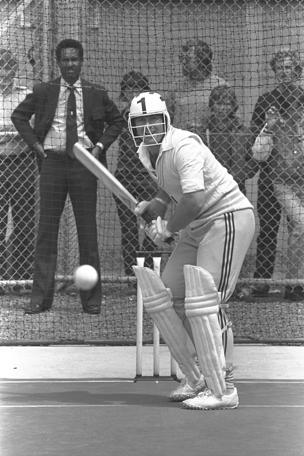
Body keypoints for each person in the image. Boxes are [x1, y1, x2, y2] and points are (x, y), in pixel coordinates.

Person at [130, 92, 255, 410]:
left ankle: (223, 386)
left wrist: (167, 229)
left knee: (207, 300)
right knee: (167, 295)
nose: (147, 129)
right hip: (197, 227)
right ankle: (199, 375)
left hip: (226, 218)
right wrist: (153, 206)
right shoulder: (149, 152)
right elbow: (169, 188)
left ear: (166, 120)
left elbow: (195, 200)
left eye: (152, 121)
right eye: (140, 122)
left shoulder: (183, 146)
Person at [11, 38, 124, 314]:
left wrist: (98, 147)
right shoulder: (44, 90)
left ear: (81, 62)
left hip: (85, 166)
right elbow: (19, 117)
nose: (70, 64)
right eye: (66, 60)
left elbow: (118, 121)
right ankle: (40, 299)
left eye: (75, 60)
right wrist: (36, 146)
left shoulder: (96, 92)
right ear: (59, 62)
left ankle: (92, 299)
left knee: (88, 232)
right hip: (52, 165)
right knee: (46, 232)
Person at [250, 48, 304, 297]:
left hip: (298, 176)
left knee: (299, 227)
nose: (284, 71)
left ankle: (295, 284)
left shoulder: (303, 98)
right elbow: (254, 139)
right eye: (279, 67)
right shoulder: (265, 101)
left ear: (296, 70)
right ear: (274, 71)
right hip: (272, 175)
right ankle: (262, 281)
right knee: (269, 228)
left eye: (288, 67)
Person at [0, 49, 36, 295]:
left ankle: (22, 279)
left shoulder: (25, 96)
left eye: (9, 67)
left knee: (24, 220)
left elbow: (32, 128)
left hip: (21, 162)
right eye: (1, 67)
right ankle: (1, 280)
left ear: (14, 70)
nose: (5, 73)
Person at [114, 71, 157, 277]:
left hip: (150, 179)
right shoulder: (121, 117)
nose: (133, 93)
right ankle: (132, 275)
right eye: (129, 89)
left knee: (153, 227)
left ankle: (149, 273)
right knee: (129, 230)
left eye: (138, 88)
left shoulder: (156, 115)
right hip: (125, 178)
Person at [204, 85, 259, 195]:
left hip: (236, 190)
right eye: (219, 104)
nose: (222, 108)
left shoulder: (243, 132)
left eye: (227, 104)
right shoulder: (204, 131)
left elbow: (253, 160)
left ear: (233, 106)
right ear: (212, 105)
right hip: (209, 189)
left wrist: (239, 176)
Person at [168, 39, 227, 136]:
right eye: (181, 58)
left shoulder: (220, 86)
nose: (183, 62)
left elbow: (231, 121)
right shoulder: (176, 87)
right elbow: (167, 120)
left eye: (187, 59)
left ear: (202, 60)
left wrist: (205, 130)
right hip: (179, 145)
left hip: (209, 146)